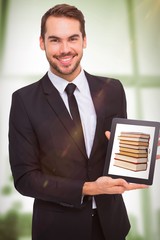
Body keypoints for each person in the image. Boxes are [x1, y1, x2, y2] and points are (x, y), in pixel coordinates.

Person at [9, 4, 152, 240]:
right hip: (58, 230)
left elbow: (116, 153)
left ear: (84, 40)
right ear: (42, 42)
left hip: (112, 227)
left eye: (72, 38)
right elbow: (25, 179)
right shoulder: (24, 101)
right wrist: (89, 188)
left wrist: (140, 157)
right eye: (55, 40)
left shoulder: (113, 89)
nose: (65, 49)